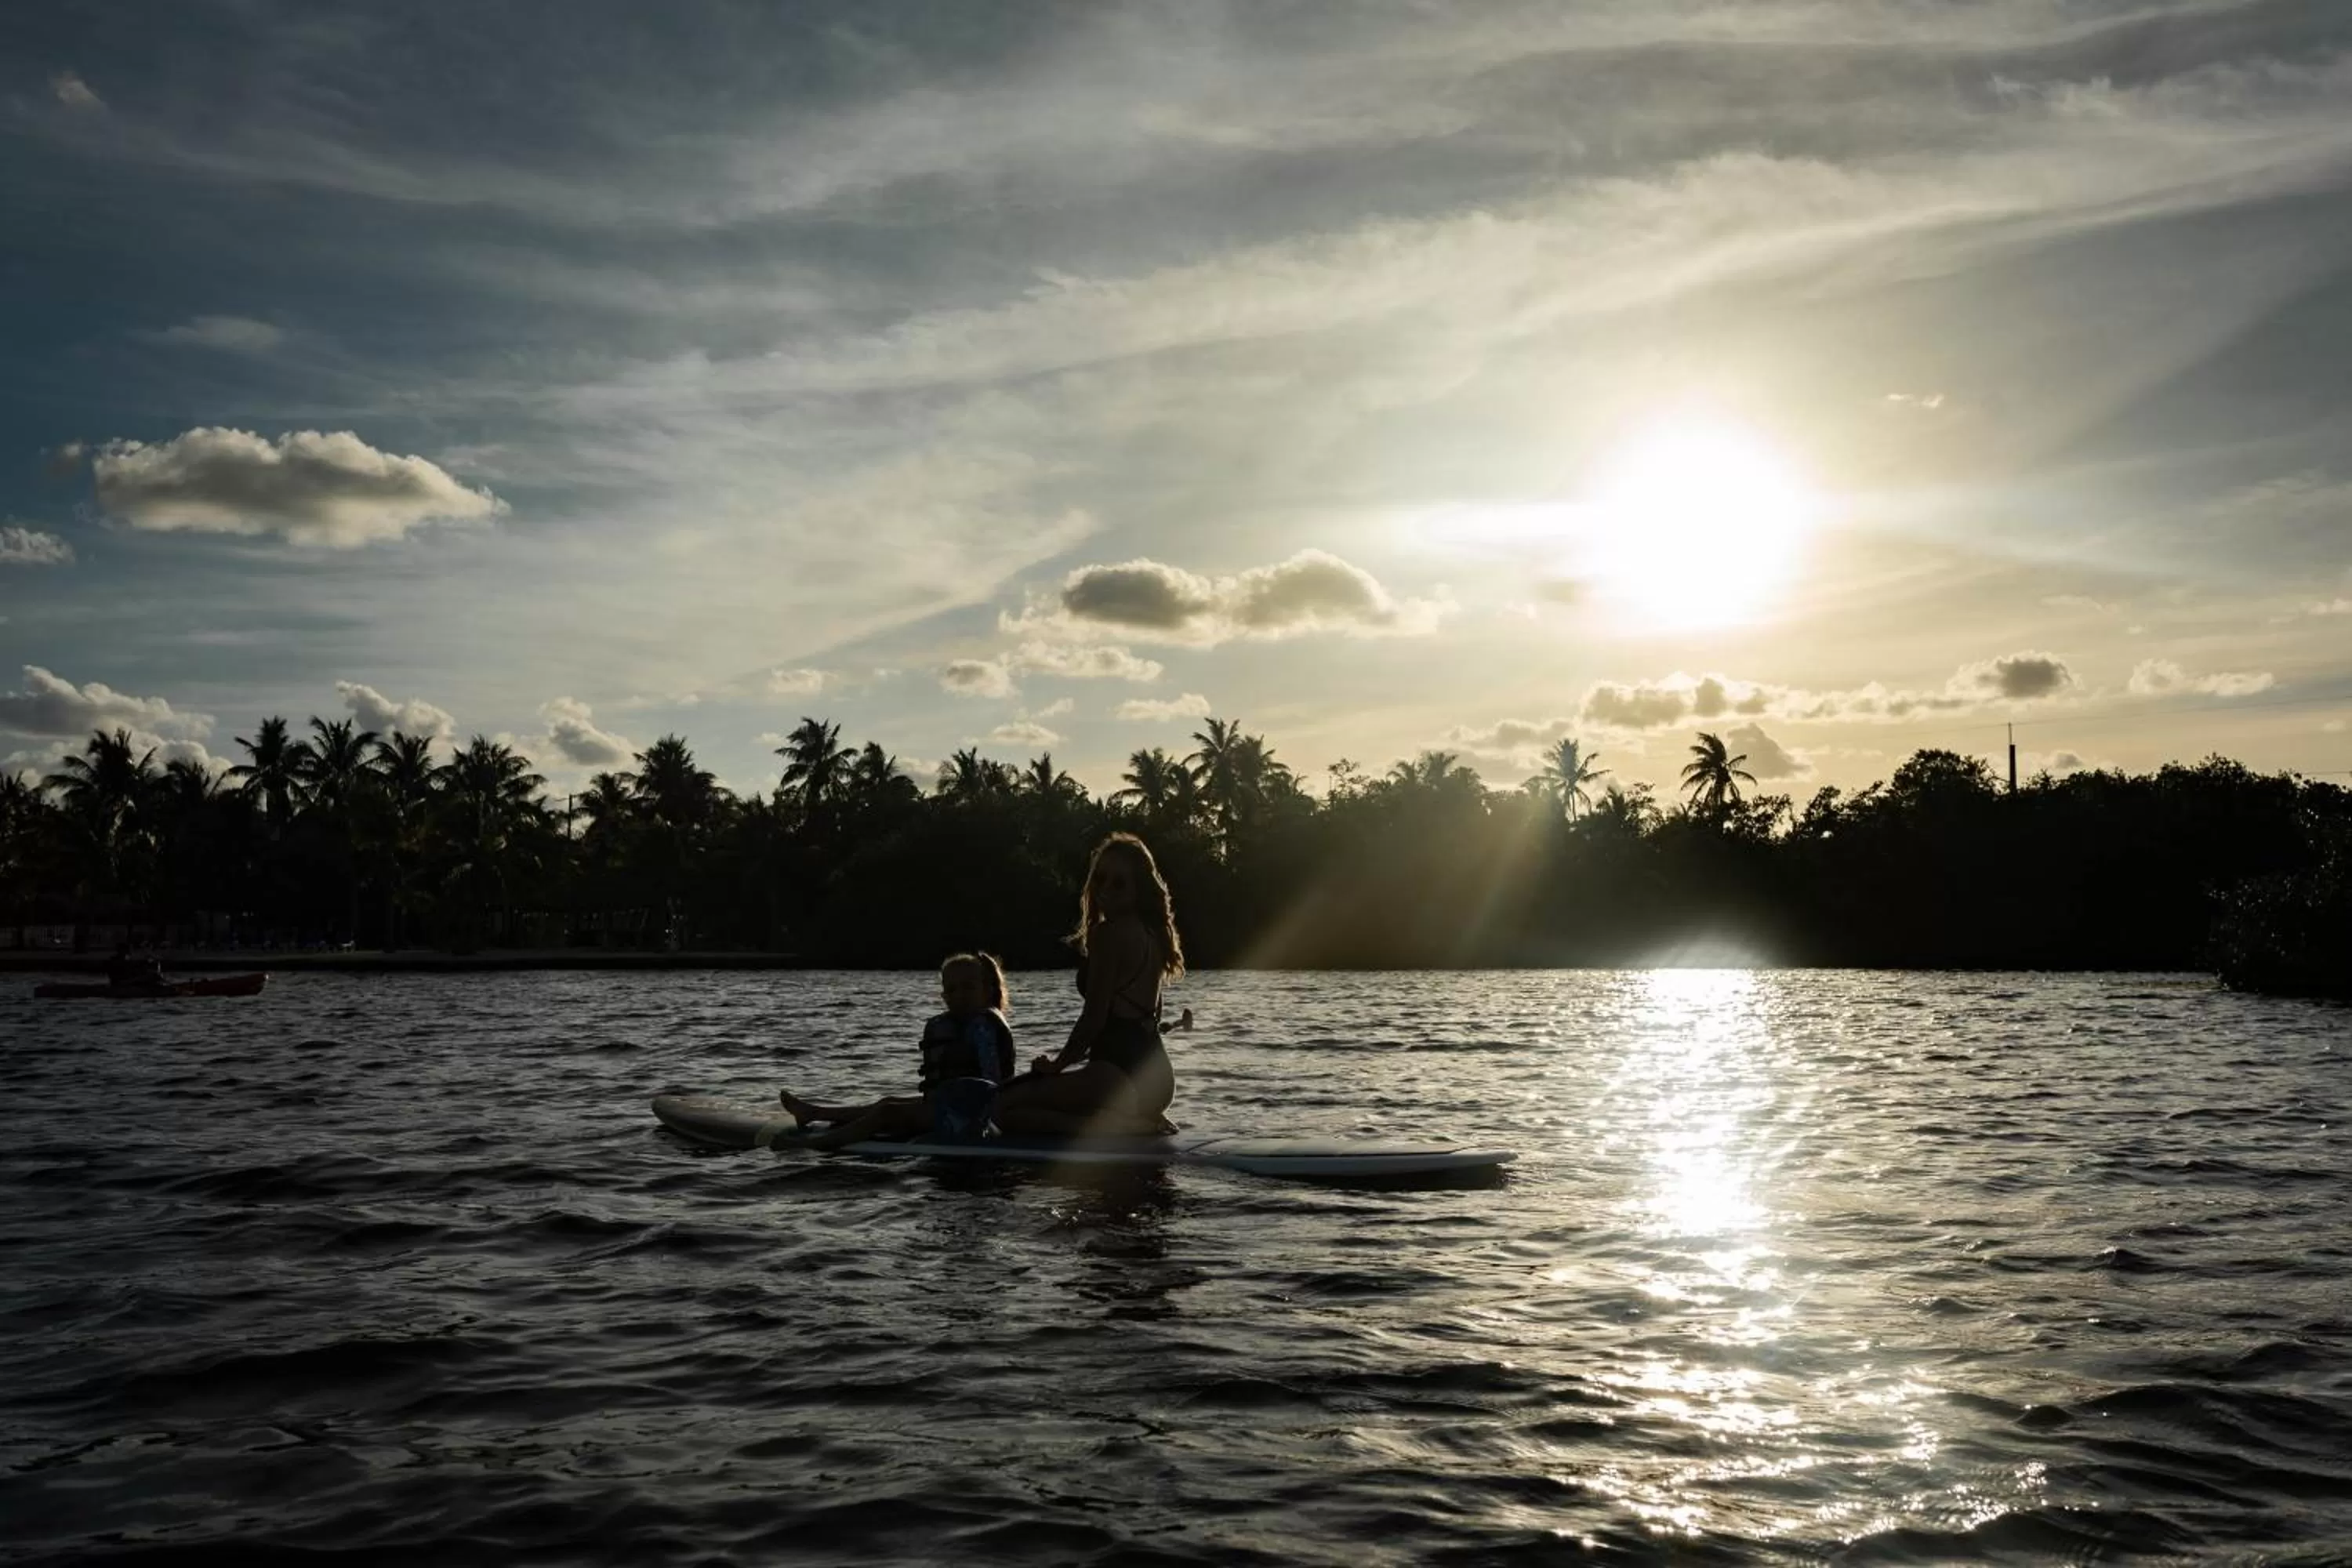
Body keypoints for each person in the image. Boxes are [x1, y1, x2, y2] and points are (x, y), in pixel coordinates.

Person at [993, 833, 1184, 1138]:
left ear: (1139, 888)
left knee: (1002, 1108)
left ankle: (1124, 1129)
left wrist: (1057, 1066)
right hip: (1158, 1081)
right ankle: (1140, 1120)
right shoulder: (1154, 934)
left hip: (1116, 1077)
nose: (1106, 889)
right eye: (1100, 879)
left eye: (1119, 882)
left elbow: (1094, 1019)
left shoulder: (1108, 935)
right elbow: (1145, 1018)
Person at [779, 953, 1016, 1150]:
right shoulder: (971, 1023)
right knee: (888, 1101)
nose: (959, 996)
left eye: (968, 987)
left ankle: (816, 1145)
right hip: (958, 1108)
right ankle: (814, 1112)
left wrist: (977, 1120)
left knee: (888, 1112)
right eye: (952, 990)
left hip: (971, 1116)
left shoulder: (982, 1027)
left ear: (986, 990)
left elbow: (991, 1084)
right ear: (943, 996)